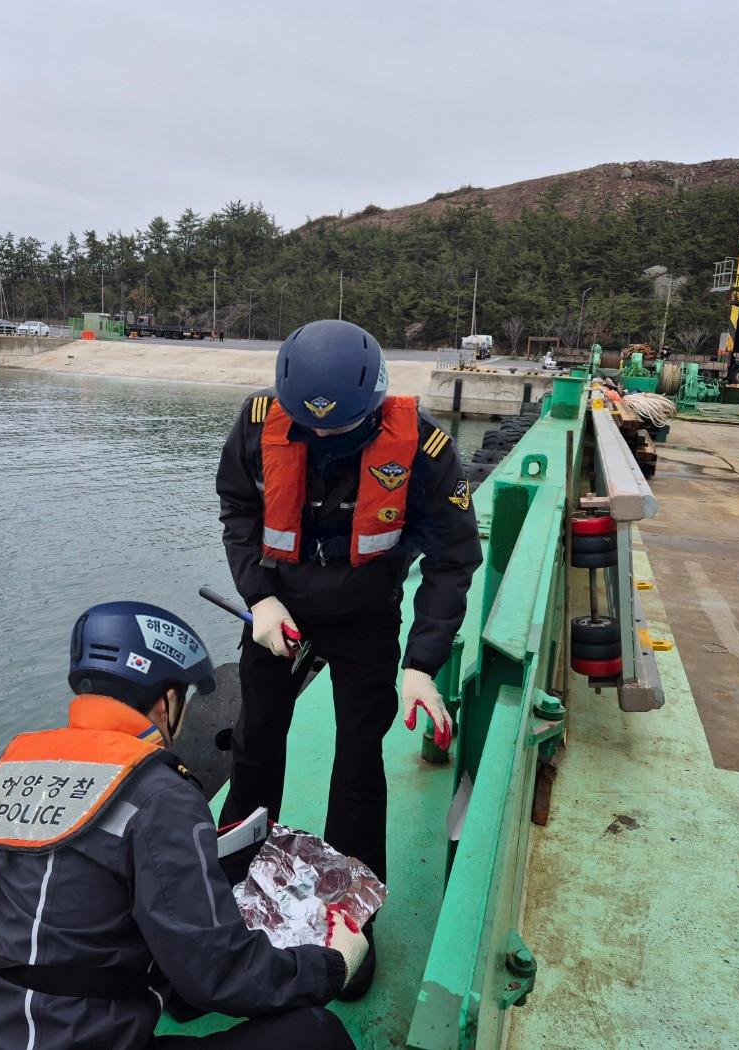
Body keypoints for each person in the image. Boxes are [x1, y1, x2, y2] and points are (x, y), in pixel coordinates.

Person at [0, 601, 366, 1050]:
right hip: (71, 1039)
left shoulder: (26, 766)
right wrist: (332, 966)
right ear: (167, 700)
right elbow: (221, 974)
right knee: (317, 1036)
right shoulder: (161, 794)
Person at [215, 319, 482, 997]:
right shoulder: (257, 424)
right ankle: (232, 897)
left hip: (366, 612)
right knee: (255, 747)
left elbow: (453, 558)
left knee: (359, 764)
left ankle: (349, 925)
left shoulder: (422, 447)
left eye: (340, 426)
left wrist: (421, 662)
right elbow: (239, 512)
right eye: (311, 426)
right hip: (282, 609)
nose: (324, 436)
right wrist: (259, 599)